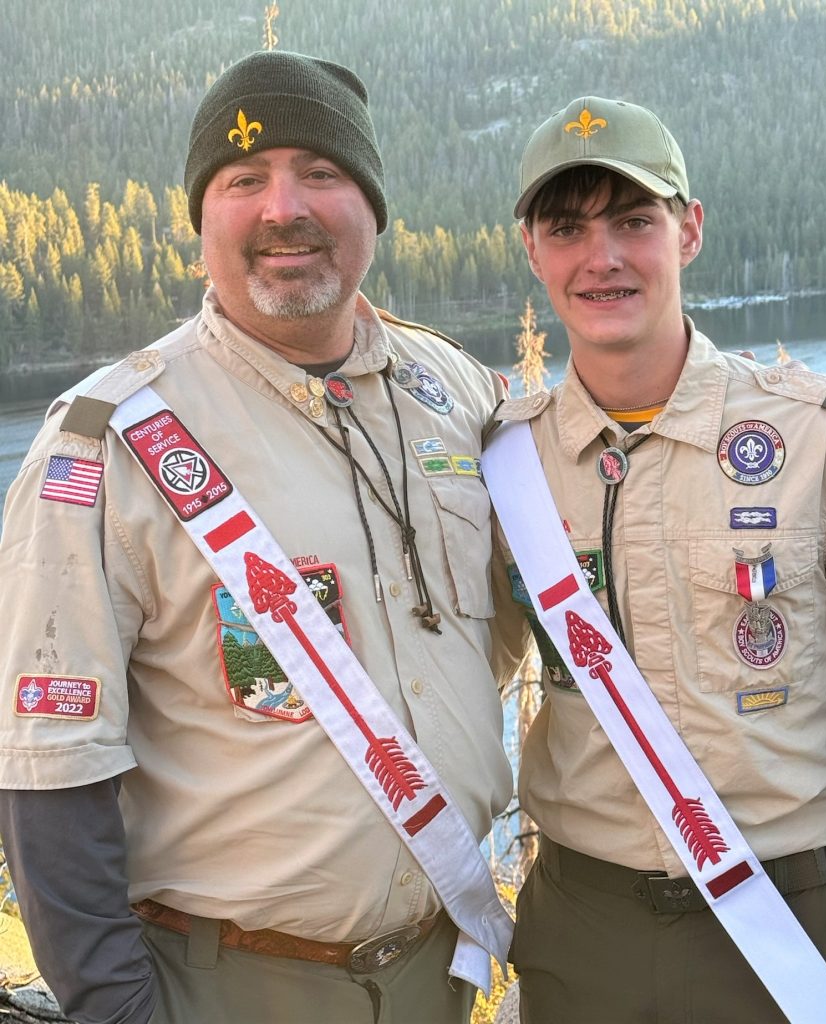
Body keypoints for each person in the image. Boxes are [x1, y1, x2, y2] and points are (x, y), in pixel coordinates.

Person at [0, 51, 525, 1024]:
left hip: (435, 980)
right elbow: (47, 770)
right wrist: (117, 1011)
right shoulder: (105, 441)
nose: (286, 206)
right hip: (226, 987)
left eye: (321, 173)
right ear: (202, 220)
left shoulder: (454, 390)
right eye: (244, 181)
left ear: (373, 205)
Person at [487, 95, 826, 1021]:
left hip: (785, 917)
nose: (601, 257)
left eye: (633, 221)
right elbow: (458, 674)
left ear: (687, 231)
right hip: (581, 924)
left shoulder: (814, 440)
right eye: (567, 227)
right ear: (532, 250)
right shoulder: (504, 464)